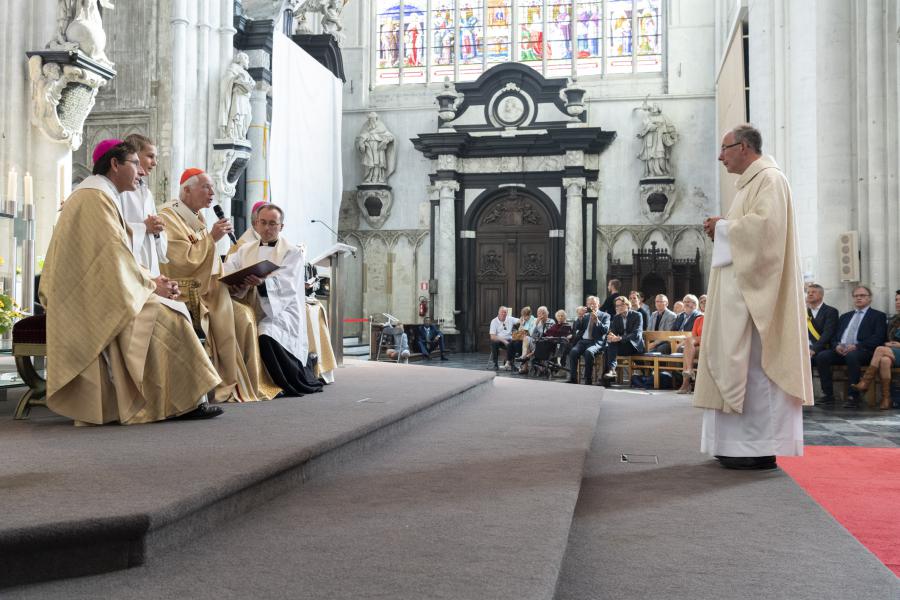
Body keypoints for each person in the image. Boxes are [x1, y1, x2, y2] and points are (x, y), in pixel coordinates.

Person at [40, 139, 222, 424]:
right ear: (115, 164)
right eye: (135, 163)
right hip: (88, 299)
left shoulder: (99, 194)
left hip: (99, 289)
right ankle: (176, 401)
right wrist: (152, 284)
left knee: (169, 310)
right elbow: (112, 255)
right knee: (167, 317)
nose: (140, 171)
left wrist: (151, 279)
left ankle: (184, 399)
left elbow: (116, 250)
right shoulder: (95, 196)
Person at [694, 124, 813, 470]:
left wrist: (724, 228)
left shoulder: (770, 179)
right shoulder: (751, 183)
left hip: (757, 305)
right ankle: (733, 444)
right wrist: (725, 227)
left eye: (725, 148)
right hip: (741, 300)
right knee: (740, 367)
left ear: (743, 147)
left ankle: (756, 446)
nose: (720, 156)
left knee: (756, 373)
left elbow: (767, 233)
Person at [159, 168, 271, 403]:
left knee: (245, 317)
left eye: (212, 187)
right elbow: (181, 261)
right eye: (206, 187)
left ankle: (241, 382)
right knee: (241, 317)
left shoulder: (196, 217)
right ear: (186, 190)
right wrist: (212, 238)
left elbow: (207, 259)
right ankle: (223, 381)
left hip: (212, 289)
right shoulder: (168, 216)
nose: (212, 192)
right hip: (188, 291)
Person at [225, 204, 323, 396]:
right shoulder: (245, 249)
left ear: (281, 227)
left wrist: (262, 284)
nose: (267, 228)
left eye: (272, 224)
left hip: (282, 309)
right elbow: (229, 268)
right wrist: (235, 283)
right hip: (248, 304)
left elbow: (287, 285)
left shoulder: (291, 252)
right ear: (256, 224)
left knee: (266, 332)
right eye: (263, 223)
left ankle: (285, 383)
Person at [814, 285, 887, 409]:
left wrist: (857, 346)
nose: (859, 298)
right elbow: (834, 336)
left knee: (852, 356)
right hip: (841, 351)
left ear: (870, 299)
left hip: (863, 351)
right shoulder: (845, 316)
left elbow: (878, 338)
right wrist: (836, 345)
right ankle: (828, 394)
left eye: (862, 295)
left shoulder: (878, 316)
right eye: (856, 296)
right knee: (822, 356)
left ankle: (854, 396)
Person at [119, 133, 167, 277]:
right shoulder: (121, 190)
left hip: (150, 270)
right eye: (150, 156)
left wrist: (158, 229)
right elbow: (112, 230)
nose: (155, 163)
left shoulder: (147, 192)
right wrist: (144, 227)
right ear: (134, 155)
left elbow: (158, 244)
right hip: (129, 268)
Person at [851, 289, 900, 410]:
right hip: (892, 352)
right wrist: (890, 344)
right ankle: (886, 398)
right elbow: (885, 338)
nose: (897, 302)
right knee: (884, 361)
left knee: (879, 349)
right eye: (896, 300)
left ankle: (865, 382)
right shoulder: (894, 320)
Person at [566, 296, 609, 385]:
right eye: (589, 304)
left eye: (593, 304)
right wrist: (580, 317)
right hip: (583, 341)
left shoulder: (605, 315)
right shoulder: (585, 315)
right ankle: (573, 378)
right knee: (573, 351)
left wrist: (597, 321)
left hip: (596, 342)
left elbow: (605, 330)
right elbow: (577, 328)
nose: (591, 306)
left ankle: (588, 378)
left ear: (598, 305)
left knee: (588, 352)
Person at [603, 296, 644, 380]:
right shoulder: (616, 318)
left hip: (634, 345)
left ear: (627, 305)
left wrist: (619, 338)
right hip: (622, 346)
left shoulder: (637, 315)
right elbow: (613, 332)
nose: (619, 308)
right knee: (608, 346)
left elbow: (636, 334)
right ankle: (610, 373)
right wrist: (611, 336)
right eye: (617, 306)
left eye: (621, 305)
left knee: (610, 347)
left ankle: (609, 374)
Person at [677, 301, 705, 394]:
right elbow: (693, 336)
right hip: (698, 346)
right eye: (701, 302)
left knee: (687, 349)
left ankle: (686, 384)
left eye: (705, 301)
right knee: (688, 347)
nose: (704, 303)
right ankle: (689, 371)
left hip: (709, 344)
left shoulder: (715, 318)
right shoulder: (699, 319)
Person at [805, 283, 839, 359]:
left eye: (813, 292)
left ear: (821, 295)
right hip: (806, 347)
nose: (810, 294)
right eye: (808, 292)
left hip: (823, 347)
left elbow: (828, 333)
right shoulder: (803, 312)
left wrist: (814, 349)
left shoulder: (831, 311)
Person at [489, 306, 520, 370]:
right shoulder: (494, 321)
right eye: (502, 312)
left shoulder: (510, 319)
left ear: (507, 313)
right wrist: (504, 341)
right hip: (499, 341)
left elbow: (520, 321)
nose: (503, 314)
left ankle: (511, 364)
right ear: (498, 312)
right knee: (494, 342)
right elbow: (492, 336)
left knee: (514, 342)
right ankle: (495, 364)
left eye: (505, 312)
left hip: (509, 340)